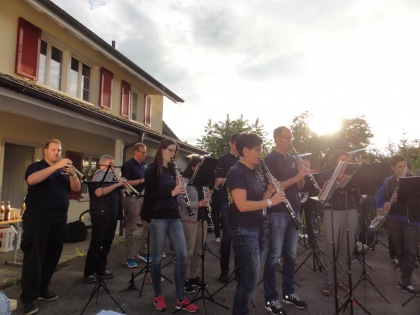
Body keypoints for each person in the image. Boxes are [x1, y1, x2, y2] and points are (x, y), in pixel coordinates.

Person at [20, 139, 81, 315]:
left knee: (52, 255)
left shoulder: (63, 171)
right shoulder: (36, 167)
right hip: (38, 219)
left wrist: (72, 174)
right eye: (54, 149)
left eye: (59, 150)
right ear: (45, 151)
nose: (57, 152)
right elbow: (31, 181)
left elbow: (76, 188)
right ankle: (28, 298)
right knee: (34, 257)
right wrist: (56, 167)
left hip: (59, 218)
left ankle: (43, 288)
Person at [226, 132, 284, 315]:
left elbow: (257, 199)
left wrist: (269, 193)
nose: (261, 153)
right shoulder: (236, 172)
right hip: (244, 231)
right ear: (245, 150)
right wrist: (270, 202)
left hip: (257, 228)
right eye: (257, 149)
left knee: (251, 277)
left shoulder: (253, 171)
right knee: (249, 280)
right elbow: (242, 205)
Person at [141, 139, 199, 312]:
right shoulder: (152, 169)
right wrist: (171, 192)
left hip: (173, 215)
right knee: (157, 258)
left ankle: (180, 297)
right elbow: (150, 195)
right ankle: (158, 295)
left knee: (182, 255)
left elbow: (176, 195)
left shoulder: (174, 171)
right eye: (170, 150)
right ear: (162, 150)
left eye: (175, 151)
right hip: (157, 217)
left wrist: (179, 188)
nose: (173, 154)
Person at [263, 126, 309, 314]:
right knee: (274, 256)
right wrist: (297, 176)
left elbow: (299, 186)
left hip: (295, 208)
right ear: (277, 139)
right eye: (287, 137)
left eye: (291, 137)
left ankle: (288, 293)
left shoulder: (291, 159)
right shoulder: (269, 159)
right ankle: (270, 298)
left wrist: (302, 174)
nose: (291, 140)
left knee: (291, 255)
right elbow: (275, 185)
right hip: (278, 211)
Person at [375, 155, 420, 295]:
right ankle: (404, 277)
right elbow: (380, 195)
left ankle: (405, 282)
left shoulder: (415, 180)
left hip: (412, 219)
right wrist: (382, 204)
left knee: (411, 251)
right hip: (394, 218)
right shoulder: (388, 181)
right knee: (400, 250)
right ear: (393, 168)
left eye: (404, 165)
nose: (403, 169)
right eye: (399, 167)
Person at [318, 150, 359, 297]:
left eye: (347, 160)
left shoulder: (353, 174)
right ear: (335, 160)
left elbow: (358, 195)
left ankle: (340, 279)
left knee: (347, 245)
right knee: (331, 245)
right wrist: (336, 181)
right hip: (332, 210)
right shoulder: (327, 174)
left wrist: (353, 184)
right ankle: (328, 281)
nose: (345, 163)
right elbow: (322, 194)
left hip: (351, 210)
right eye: (342, 160)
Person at [83, 154, 126, 283]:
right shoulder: (94, 177)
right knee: (97, 242)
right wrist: (116, 184)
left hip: (112, 213)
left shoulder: (113, 178)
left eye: (113, 165)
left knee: (107, 242)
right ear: (102, 165)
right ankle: (89, 272)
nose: (113, 168)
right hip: (100, 214)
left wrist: (122, 187)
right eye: (110, 165)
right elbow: (98, 192)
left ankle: (101, 269)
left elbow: (120, 195)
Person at [178, 157, 210, 294]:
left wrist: (208, 198)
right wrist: (198, 204)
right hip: (189, 220)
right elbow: (180, 201)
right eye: (198, 167)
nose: (200, 170)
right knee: (188, 251)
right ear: (192, 167)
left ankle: (193, 276)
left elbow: (209, 199)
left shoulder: (204, 183)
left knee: (199, 251)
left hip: (203, 220)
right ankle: (183, 279)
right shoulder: (184, 182)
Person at [212, 133, 240, 283]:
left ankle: (240, 268)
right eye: (236, 143)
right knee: (228, 235)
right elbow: (217, 182)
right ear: (231, 143)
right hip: (226, 201)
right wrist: (233, 176)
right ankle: (224, 270)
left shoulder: (245, 158)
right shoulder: (223, 159)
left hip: (243, 201)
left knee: (241, 235)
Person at [121, 142, 148, 268]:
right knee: (131, 228)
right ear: (136, 152)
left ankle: (143, 251)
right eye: (142, 152)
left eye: (145, 152)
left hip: (145, 197)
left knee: (147, 225)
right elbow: (125, 182)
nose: (145, 154)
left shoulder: (145, 165)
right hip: (132, 197)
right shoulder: (127, 165)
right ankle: (130, 256)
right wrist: (143, 180)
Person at [357, 155, 375, 249]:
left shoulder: (373, 171)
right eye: (362, 162)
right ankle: (362, 241)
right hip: (360, 196)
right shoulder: (358, 172)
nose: (363, 164)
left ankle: (371, 242)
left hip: (370, 196)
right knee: (360, 220)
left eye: (366, 162)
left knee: (369, 220)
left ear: (369, 161)